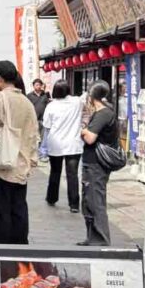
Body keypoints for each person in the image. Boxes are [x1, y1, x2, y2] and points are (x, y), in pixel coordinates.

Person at [0, 60, 39, 244]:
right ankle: (19, 256)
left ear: (0, 79)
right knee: (18, 210)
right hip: (21, 167)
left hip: (0, 165)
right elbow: (33, 135)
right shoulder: (27, 102)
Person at [79, 80, 119, 245]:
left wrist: (83, 131)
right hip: (92, 162)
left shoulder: (103, 113)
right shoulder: (104, 111)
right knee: (89, 201)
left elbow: (90, 138)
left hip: (96, 164)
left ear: (91, 95)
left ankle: (101, 240)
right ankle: (91, 237)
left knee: (96, 201)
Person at [42, 81, 84, 213]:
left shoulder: (51, 106)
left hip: (56, 143)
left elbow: (47, 125)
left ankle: (52, 197)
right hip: (73, 144)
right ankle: (74, 204)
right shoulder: (77, 102)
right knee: (72, 175)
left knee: (55, 172)